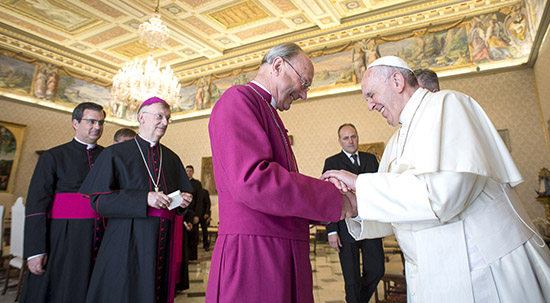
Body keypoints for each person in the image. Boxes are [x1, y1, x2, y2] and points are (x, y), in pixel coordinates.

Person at [322, 56, 550, 302]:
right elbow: (399, 207)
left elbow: (443, 196)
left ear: (397, 81)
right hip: (429, 271)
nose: (369, 106)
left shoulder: (448, 104)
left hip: (480, 267)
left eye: (371, 95)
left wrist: (361, 183)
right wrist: (355, 206)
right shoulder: (396, 139)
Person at [206, 42, 356, 303]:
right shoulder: (238, 100)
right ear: (277, 66)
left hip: (278, 246)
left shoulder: (267, 109)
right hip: (255, 254)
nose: (304, 95)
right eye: (304, 83)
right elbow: (253, 180)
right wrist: (333, 198)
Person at [78, 97, 193, 303]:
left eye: (167, 118)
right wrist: (144, 198)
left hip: (161, 239)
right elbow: (98, 202)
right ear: (142, 117)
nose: (165, 122)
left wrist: (183, 202)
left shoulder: (172, 158)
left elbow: (181, 196)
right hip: (126, 237)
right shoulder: (115, 153)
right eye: (159, 116)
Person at [21, 102, 106, 303]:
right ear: (75, 123)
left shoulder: (108, 156)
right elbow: (36, 204)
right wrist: (35, 250)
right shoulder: (54, 156)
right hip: (63, 235)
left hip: (102, 234)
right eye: (91, 121)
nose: (97, 127)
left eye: (101, 122)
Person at [323, 123, 384, 303]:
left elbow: (379, 188)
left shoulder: (371, 159)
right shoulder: (332, 162)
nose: (351, 141)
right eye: (346, 138)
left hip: (371, 224)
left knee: (377, 269)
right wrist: (331, 231)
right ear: (340, 141)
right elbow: (329, 198)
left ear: (358, 137)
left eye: (353, 136)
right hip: (345, 228)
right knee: (352, 279)